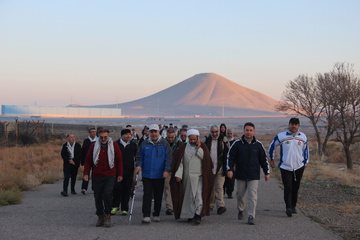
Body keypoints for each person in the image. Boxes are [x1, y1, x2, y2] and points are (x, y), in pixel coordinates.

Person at [227, 122, 270, 225]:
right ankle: (241, 209)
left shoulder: (258, 145)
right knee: (240, 194)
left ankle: (251, 215)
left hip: (253, 175)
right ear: (244, 131)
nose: (249, 132)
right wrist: (229, 169)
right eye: (247, 130)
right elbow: (230, 157)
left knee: (252, 195)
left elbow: (264, 160)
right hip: (240, 174)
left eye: (251, 130)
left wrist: (266, 172)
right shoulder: (237, 144)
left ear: (253, 131)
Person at [170, 129, 213, 225]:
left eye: (194, 139)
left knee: (198, 196)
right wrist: (178, 174)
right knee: (189, 197)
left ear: (198, 138)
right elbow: (179, 162)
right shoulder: (183, 148)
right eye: (191, 139)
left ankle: (198, 215)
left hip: (199, 177)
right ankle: (190, 215)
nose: (193, 141)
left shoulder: (203, 147)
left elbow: (207, 161)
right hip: (187, 177)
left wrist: (199, 149)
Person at [268, 117, 309, 217]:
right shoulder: (281, 136)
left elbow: (306, 150)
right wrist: (272, 159)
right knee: (288, 187)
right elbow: (272, 147)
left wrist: (305, 162)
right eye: (292, 124)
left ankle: (294, 205)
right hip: (285, 166)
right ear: (289, 125)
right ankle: (288, 207)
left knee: (296, 187)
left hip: (299, 166)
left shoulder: (302, 137)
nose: (293, 126)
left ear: (298, 126)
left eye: (296, 124)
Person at [84, 129, 123, 228]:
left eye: (105, 137)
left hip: (110, 174)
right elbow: (88, 160)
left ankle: (107, 215)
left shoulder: (114, 145)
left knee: (107, 194)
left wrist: (120, 174)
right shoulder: (94, 146)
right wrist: (86, 173)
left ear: (108, 136)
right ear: (99, 137)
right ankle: (100, 215)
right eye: (101, 137)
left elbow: (119, 160)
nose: (103, 139)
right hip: (97, 175)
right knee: (97, 196)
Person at [136, 124, 172, 223]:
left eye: (155, 131)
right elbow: (139, 157)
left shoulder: (164, 143)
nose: (153, 133)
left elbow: (168, 158)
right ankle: (146, 215)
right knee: (147, 195)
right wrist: (139, 165)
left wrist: (166, 170)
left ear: (158, 132)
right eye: (152, 131)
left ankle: (156, 213)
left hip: (160, 174)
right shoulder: (144, 143)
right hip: (147, 174)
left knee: (158, 195)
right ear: (149, 132)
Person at [111, 128, 138, 216]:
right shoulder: (116, 144)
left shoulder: (133, 145)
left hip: (129, 170)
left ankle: (124, 208)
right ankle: (115, 206)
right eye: (126, 134)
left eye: (129, 134)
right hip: (117, 170)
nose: (128, 136)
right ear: (122, 135)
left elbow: (136, 156)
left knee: (127, 189)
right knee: (117, 188)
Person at [203, 124, 229, 215]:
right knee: (210, 188)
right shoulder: (206, 140)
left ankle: (220, 205)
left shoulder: (224, 140)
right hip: (209, 169)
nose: (215, 134)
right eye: (213, 132)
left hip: (220, 168)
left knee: (219, 187)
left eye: (216, 132)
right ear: (210, 132)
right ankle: (210, 205)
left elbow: (228, 153)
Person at [164, 128, 183, 215]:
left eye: (172, 137)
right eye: (169, 137)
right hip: (167, 168)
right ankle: (169, 207)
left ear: (175, 135)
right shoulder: (163, 143)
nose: (170, 139)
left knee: (178, 188)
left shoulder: (180, 144)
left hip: (177, 168)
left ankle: (178, 205)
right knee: (168, 188)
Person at [80, 128, 98, 195]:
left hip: (95, 160)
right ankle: (84, 188)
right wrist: (82, 160)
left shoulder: (98, 140)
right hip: (87, 160)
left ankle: (94, 188)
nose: (94, 133)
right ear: (89, 133)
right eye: (92, 132)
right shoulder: (86, 141)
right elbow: (83, 151)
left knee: (95, 174)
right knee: (86, 174)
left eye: (95, 132)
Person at [223, 128, 236, 198]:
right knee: (223, 179)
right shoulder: (223, 142)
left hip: (232, 163)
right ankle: (222, 193)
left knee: (231, 180)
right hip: (224, 163)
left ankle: (230, 192)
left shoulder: (235, 142)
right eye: (228, 133)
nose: (229, 135)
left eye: (231, 133)